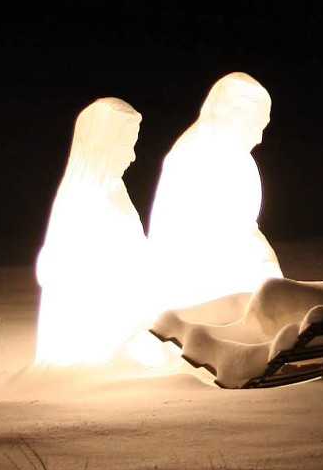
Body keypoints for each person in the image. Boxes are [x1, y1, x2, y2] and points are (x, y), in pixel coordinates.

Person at [147, 72, 283, 315]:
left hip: (236, 285)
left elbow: (244, 228)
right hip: (203, 293)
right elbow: (214, 238)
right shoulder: (198, 154)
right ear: (231, 112)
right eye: (256, 125)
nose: (259, 137)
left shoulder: (236, 158)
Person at [34, 97, 151, 365]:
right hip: (101, 331)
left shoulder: (114, 189)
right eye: (126, 145)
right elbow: (61, 270)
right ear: (104, 144)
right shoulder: (82, 198)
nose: (133, 157)